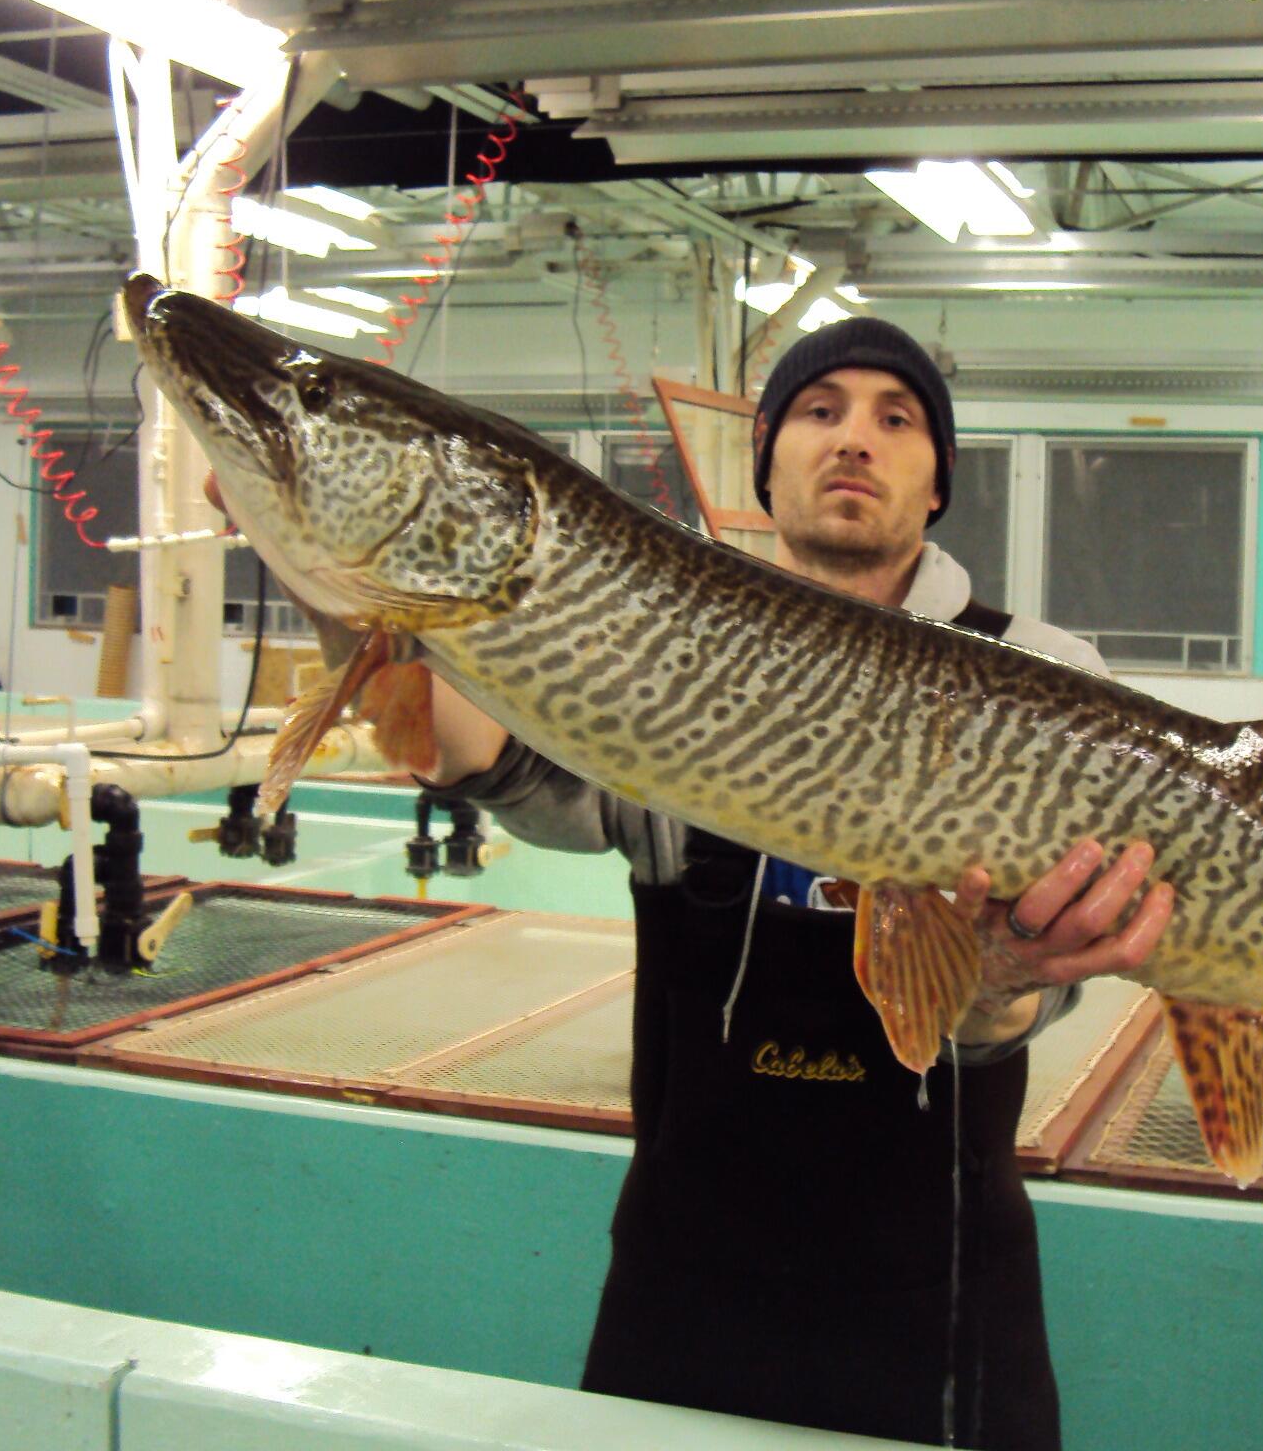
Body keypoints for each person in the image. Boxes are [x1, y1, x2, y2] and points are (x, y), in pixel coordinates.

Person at [423, 318, 1175, 1448]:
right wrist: (375, 602)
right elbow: (511, 769)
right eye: (819, 412)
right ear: (765, 462)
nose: (854, 440)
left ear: (937, 484)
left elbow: (1028, 1002)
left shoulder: (1045, 676)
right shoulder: (670, 642)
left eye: (895, 417)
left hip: (938, 1295)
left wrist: (993, 980)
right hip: (686, 1276)